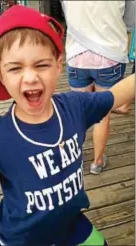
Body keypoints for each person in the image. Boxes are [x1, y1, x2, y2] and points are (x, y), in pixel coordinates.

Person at [0, 6, 135, 246]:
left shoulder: (74, 106)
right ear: (0, 74)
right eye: (15, 68)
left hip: (71, 224)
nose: (30, 77)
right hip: (22, 239)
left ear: (59, 65)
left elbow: (115, 95)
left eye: (41, 65)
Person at [61, 1, 135, 174]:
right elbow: (131, 20)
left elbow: (68, 16)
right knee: (103, 114)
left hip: (76, 55)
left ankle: (74, 160)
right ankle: (97, 161)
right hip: (109, 56)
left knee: (78, 112)